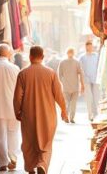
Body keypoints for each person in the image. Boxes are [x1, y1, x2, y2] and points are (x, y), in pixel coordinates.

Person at [13, 46, 67, 174]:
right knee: (46, 143)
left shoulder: (23, 74)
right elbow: (59, 94)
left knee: (29, 143)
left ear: (30, 57)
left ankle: (31, 168)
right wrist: (64, 110)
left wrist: (17, 112)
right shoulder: (51, 73)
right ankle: (42, 164)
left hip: (28, 115)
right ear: (42, 57)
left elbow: (17, 97)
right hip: (48, 115)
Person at [56, 47, 82, 123]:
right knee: (71, 104)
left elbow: (59, 75)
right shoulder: (75, 62)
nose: (70, 54)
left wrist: (62, 82)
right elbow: (80, 73)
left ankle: (68, 118)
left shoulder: (64, 62)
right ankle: (71, 118)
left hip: (68, 87)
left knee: (68, 103)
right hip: (72, 87)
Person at [79, 40, 101, 120]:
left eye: (91, 46)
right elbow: (80, 70)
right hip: (86, 81)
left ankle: (96, 114)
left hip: (95, 80)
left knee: (96, 98)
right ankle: (90, 115)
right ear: (86, 47)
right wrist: (81, 82)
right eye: (88, 46)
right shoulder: (82, 57)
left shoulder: (97, 56)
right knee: (89, 98)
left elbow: (99, 67)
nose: (90, 48)